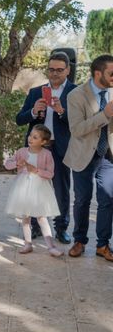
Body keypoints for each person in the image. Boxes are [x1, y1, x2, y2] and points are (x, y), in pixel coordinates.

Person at [16, 52, 76, 244]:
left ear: (67, 70)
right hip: (36, 149)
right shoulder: (36, 92)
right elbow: (19, 119)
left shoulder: (75, 92)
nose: (55, 73)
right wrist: (34, 111)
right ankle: (35, 226)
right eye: (51, 69)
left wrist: (61, 112)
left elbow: (79, 123)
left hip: (61, 147)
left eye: (59, 70)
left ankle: (61, 228)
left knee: (61, 189)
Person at [64, 54, 113, 261]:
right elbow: (76, 130)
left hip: (107, 155)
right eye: (112, 73)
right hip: (83, 154)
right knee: (82, 200)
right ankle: (79, 241)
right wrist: (105, 115)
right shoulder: (75, 96)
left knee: (108, 199)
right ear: (98, 73)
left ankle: (103, 245)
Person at [4, 125, 63, 257]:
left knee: (42, 217)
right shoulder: (21, 151)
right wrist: (16, 164)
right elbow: (7, 164)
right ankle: (28, 244)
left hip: (40, 190)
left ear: (43, 142)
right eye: (30, 135)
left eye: (35, 137)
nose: (30, 138)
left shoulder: (47, 154)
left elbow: (50, 173)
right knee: (25, 218)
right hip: (23, 188)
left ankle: (51, 246)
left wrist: (36, 170)